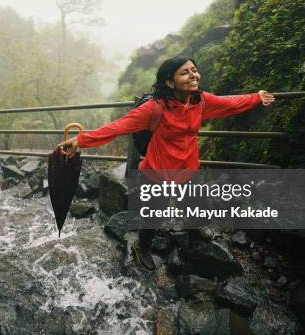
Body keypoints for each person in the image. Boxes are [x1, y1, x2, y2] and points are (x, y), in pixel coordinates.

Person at [57, 56, 275, 270]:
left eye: (194, 70)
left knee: (194, 202)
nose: (193, 75)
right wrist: (80, 140)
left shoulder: (200, 101)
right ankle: (142, 246)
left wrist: (256, 97)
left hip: (188, 166)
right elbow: (117, 127)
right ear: (170, 82)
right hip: (158, 171)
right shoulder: (155, 108)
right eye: (185, 72)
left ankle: (194, 227)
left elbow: (229, 103)